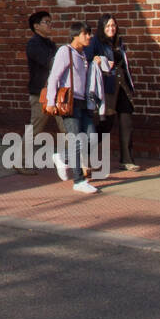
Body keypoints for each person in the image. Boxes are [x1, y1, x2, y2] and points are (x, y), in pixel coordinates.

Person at [45, 20, 98, 193]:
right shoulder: (65, 51)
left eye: (89, 33)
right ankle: (79, 181)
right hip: (69, 103)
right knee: (75, 140)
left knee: (91, 137)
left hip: (83, 103)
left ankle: (62, 156)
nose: (89, 36)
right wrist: (51, 101)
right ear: (75, 35)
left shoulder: (83, 54)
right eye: (85, 33)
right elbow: (54, 77)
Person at [89, 14, 139, 171]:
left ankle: (127, 159)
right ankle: (82, 151)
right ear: (102, 28)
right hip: (107, 86)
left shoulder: (119, 42)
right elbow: (88, 58)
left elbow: (124, 64)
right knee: (106, 124)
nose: (111, 29)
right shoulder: (96, 41)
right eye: (108, 26)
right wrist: (96, 60)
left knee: (126, 121)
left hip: (122, 83)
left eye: (113, 26)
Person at [19, 11, 61, 175]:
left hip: (56, 92)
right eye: (46, 22)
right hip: (41, 93)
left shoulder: (50, 44)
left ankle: (80, 163)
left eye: (51, 21)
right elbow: (51, 63)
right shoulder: (34, 44)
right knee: (35, 128)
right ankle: (20, 160)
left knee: (67, 126)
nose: (50, 24)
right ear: (36, 26)